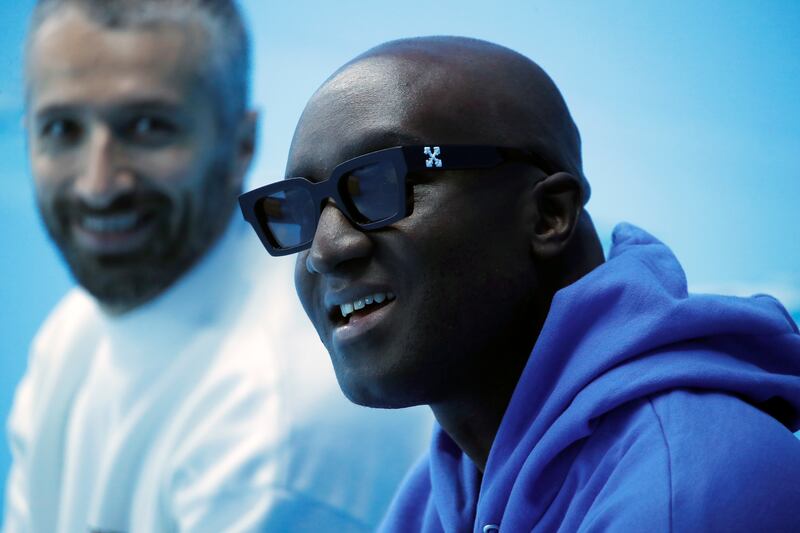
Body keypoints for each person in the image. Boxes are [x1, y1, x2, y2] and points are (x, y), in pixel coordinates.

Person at [239, 36, 800, 532]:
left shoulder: (687, 486)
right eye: (300, 209)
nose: (325, 250)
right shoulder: (448, 491)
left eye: (382, 185)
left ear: (549, 214)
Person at [3, 2, 431, 532]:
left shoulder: (277, 425)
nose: (98, 184)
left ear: (241, 144)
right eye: (62, 129)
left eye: (147, 126)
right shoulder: (70, 335)